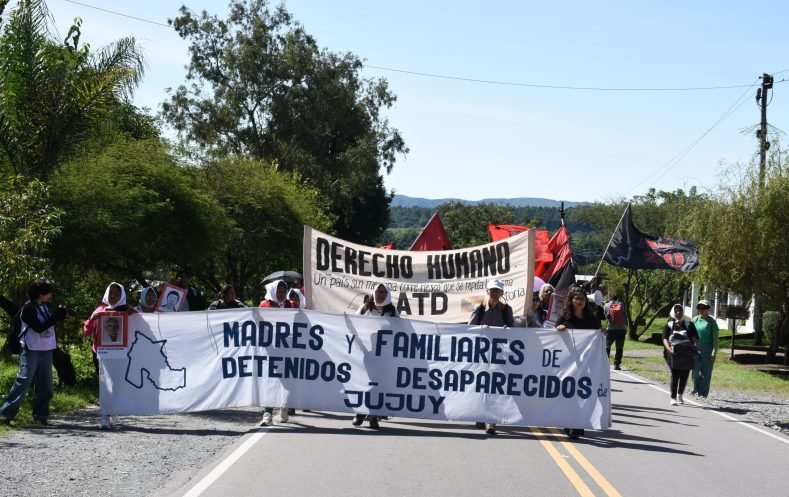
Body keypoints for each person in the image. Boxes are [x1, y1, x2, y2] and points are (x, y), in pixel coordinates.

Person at [1, 279, 69, 426]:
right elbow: (39, 327)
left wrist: (61, 315)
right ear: (40, 293)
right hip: (31, 349)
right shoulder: (27, 308)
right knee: (24, 381)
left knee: (46, 385)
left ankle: (41, 416)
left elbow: (48, 323)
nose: (50, 295)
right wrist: (55, 317)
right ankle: (5, 414)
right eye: (48, 292)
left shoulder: (45, 306)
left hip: (47, 349)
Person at [84, 282, 135, 429]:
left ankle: (113, 409)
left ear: (122, 295)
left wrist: (134, 314)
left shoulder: (128, 310)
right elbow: (87, 331)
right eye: (111, 293)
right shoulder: (100, 310)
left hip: (121, 354)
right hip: (102, 354)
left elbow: (141, 325)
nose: (113, 296)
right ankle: (104, 417)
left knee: (118, 383)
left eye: (116, 294)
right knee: (105, 384)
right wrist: (93, 318)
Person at [555, 286, 602, 440]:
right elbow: (553, 335)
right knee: (569, 394)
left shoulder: (591, 319)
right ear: (571, 300)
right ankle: (568, 423)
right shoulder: (565, 317)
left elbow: (598, 335)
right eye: (576, 298)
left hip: (586, 363)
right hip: (569, 363)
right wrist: (559, 328)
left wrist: (603, 333)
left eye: (582, 299)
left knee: (582, 394)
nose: (579, 301)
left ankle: (578, 425)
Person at [468, 279, 513, 435]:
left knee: (494, 388)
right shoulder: (478, 309)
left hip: (499, 355)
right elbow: (470, 332)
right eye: (492, 290)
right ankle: (480, 414)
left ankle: (491, 421)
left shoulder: (507, 310)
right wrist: (480, 330)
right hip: (481, 355)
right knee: (480, 386)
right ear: (487, 291)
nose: (494, 293)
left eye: (497, 291)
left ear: (501, 293)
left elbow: (514, 334)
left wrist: (507, 330)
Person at [352, 283, 398, 429]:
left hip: (383, 356)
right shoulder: (365, 309)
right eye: (378, 292)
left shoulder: (392, 312)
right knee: (363, 383)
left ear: (388, 295)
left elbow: (400, 330)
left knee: (378, 386)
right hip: (365, 354)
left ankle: (373, 416)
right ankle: (359, 413)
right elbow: (353, 326)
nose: (380, 295)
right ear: (374, 293)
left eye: (383, 293)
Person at [258, 280, 294, 426]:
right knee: (269, 381)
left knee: (285, 381)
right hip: (269, 349)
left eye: (284, 292)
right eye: (279, 291)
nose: (281, 294)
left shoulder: (291, 305)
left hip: (286, 348)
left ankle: (284, 407)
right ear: (273, 291)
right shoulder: (264, 305)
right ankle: (267, 413)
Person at [662, 304, 698, 406]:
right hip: (673, 353)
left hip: (687, 353)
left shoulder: (689, 324)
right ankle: (673, 397)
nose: (678, 313)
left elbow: (694, 338)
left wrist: (694, 349)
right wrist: (669, 349)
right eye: (676, 311)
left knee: (684, 375)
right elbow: (665, 338)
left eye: (680, 311)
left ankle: (680, 395)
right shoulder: (669, 325)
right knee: (675, 375)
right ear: (673, 312)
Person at [691, 299, 719, 398]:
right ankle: (695, 389)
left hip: (707, 348)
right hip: (695, 347)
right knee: (695, 369)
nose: (702, 309)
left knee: (706, 371)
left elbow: (716, 339)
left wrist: (714, 352)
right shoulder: (694, 320)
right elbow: (690, 335)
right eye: (699, 307)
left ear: (708, 309)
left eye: (704, 307)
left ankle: (703, 393)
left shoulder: (712, 322)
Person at [604, 293, 627, 370]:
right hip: (621, 329)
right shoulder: (621, 304)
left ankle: (604, 363)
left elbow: (606, 316)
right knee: (619, 347)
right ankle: (616, 365)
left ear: (610, 297)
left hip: (610, 329)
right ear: (617, 298)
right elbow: (625, 314)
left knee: (607, 346)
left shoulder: (606, 305)